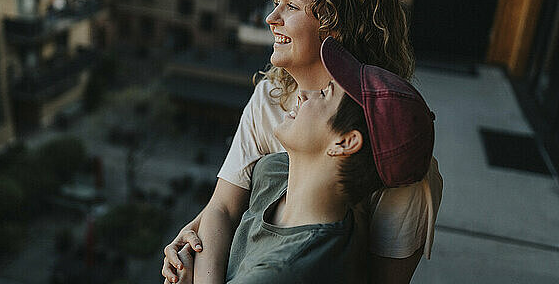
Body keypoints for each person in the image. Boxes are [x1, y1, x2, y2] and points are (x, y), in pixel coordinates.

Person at [162, 0, 443, 284]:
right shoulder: (270, 97)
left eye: (291, 6)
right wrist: (197, 249)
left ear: (338, 25)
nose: (271, 18)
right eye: (277, 2)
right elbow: (222, 208)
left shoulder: (394, 145)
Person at [173, 37, 436, 284]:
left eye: (323, 94)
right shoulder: (274, 170)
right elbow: (219, 210)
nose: (302, 94)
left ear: (344, 142)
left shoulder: (286, 271)